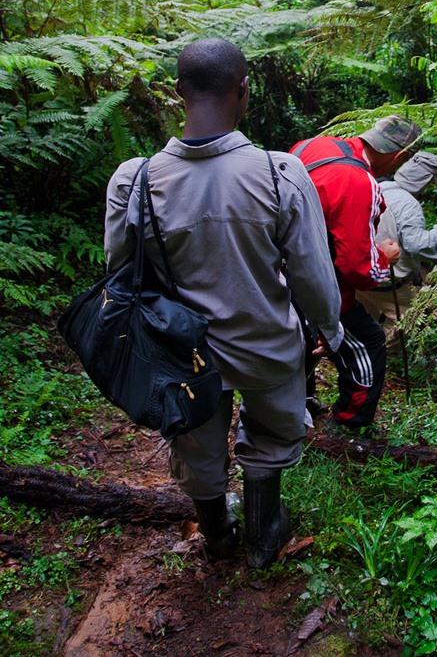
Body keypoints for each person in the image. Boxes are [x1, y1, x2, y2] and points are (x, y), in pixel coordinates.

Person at [104, 38, 343, 568]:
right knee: (274, 436)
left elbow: (119, 269)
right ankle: (264, 535)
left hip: (183, 356)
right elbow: (310, 270)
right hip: (268, 348)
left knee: (197, 444)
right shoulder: (280, 174)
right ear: (245, 90)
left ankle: (217, 536)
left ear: (176, 93)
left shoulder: (136, 180)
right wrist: (331, 327)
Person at [290, 115, 422, 429]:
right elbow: (358, 268)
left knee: (302, 340)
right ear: (399, 157)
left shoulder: (310, 146)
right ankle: (350, 423)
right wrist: (385, 256)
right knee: (368, 343)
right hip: (316, 283)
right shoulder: (359, 182)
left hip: (277, 270)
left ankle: (301, 401)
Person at [356, 151, 437, 331]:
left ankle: (360, 357)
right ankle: (382, 357)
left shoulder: (376, 188)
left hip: (362, 279)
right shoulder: (407, 203)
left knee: (363, 329)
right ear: (425, 181)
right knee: (406, 328)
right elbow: (418, 245)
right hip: (389, 285)